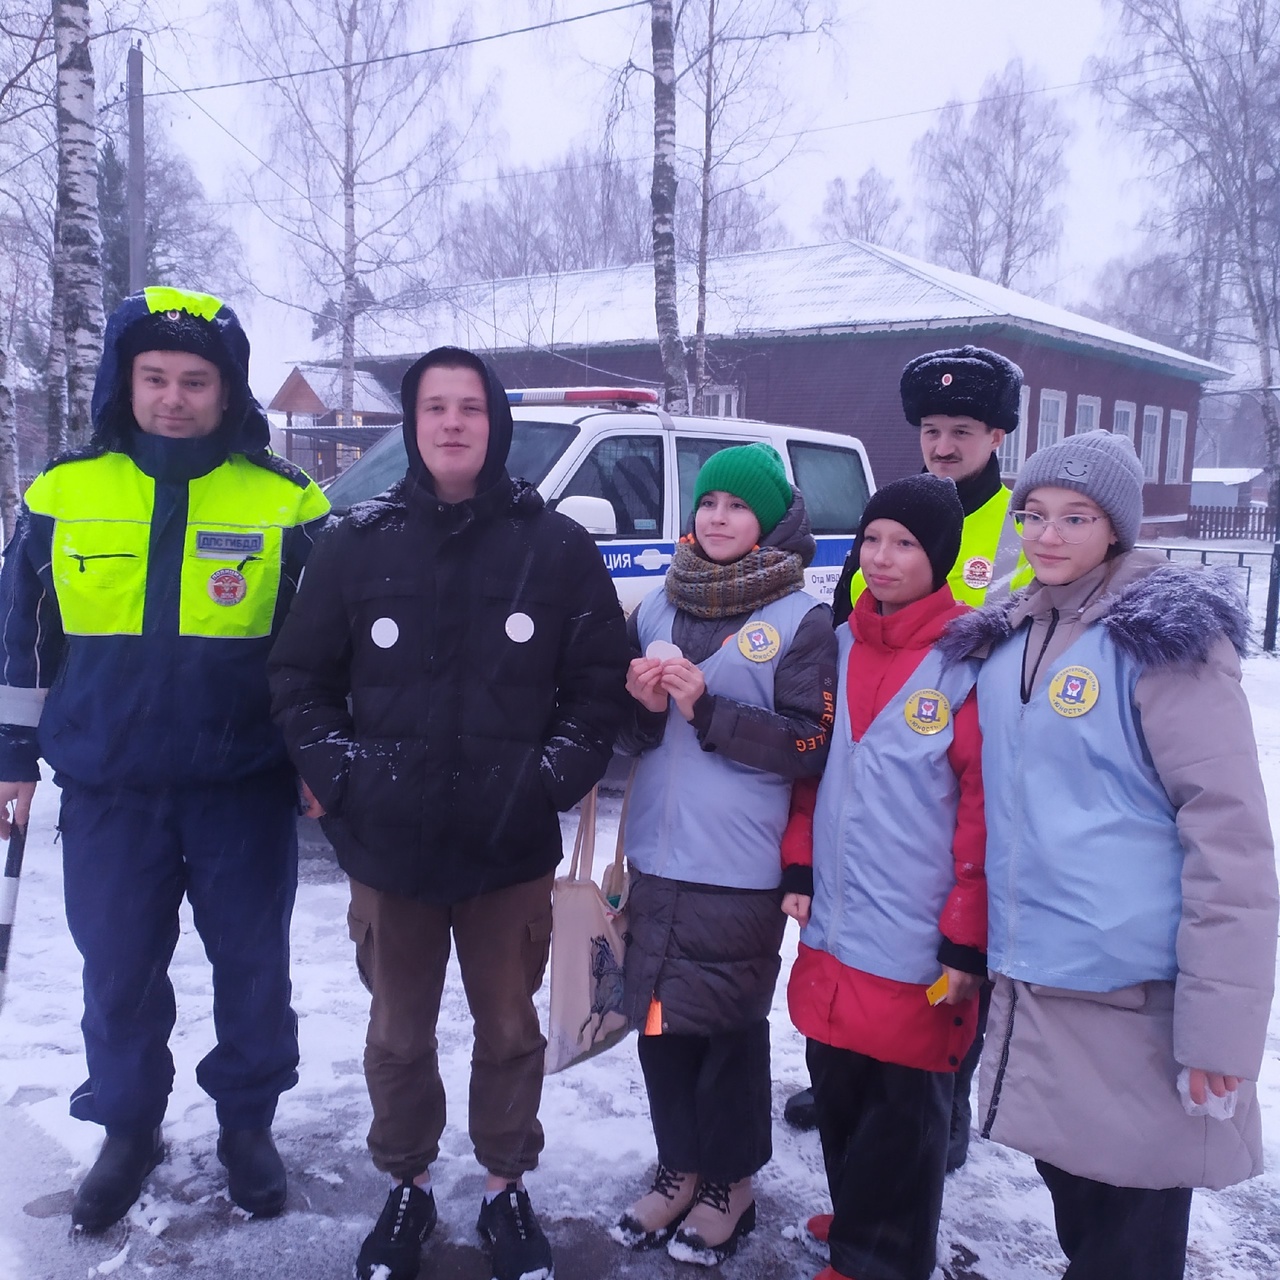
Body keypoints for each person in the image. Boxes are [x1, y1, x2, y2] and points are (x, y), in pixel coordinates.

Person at [268, 345, 629, 1280]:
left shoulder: (554, 547)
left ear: (496, 420)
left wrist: (547, 779)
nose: (454, 423)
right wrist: (343, 777)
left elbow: (597, 691)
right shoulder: (356, 541)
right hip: (388, 848)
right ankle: (409, 1182)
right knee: (397, 1032)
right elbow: (300, 679)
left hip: (508, 851)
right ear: (412, 423)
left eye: (471, 406)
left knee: (510, 1029)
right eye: (435, 407)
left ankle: (507, 1186)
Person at [0, 287, 330, 1230]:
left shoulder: (286, 498)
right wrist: (12, 759)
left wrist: (314, 757)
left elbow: (319, 650)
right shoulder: (65, 491)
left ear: (228, 394)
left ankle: (247, 1124)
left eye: (196, 381)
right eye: (155, 379)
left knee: (253, 965)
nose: (174, 398)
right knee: (117, 969)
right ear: (125, 383)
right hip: (109, 785)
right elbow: (19, 638)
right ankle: (128, 1126)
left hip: (243, 786)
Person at [941, 429, 1278, 1280]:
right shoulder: (1014, 633)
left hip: (1138, 1005)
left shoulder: (1165, 643)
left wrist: (1220, 1032)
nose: (1047, 535)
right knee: (1083, 1216)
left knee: (1132, 1234)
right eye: (1035, 513)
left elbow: (1230, 837)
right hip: (1042, 986)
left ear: (1117, 529)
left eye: (1076, 517)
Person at [796, 343, 1030, 1169]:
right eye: (931, 429)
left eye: (961, 429)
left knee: (949, 942)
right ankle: (857, 1061)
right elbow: (849, 619)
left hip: (979, 740)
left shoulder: (1021, 524)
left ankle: (946, 1101)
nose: (943, 444)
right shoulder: (892, 515)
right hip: (888, 742)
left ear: (997, 434)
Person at [608, 443, 836, 1267]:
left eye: (738, 506)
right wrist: (635, 708)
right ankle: (679, 1166)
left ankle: (729, 1183)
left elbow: (813, 743)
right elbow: (625, 739)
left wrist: (710, 710)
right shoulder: (656, 609)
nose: (719, 518)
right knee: (660, 1023)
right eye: (708, 504)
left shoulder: (800, 622)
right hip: (658, 857)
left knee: (727, 1029)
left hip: (739, 867)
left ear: (771, 519)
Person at [783, 474, 986, 1280]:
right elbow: (806, 775)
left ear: (940, 557)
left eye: (905, 544)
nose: (884, 558)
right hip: (834, 919)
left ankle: (884, 1258)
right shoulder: (836, 646)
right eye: (872, 540)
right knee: (838, 1083)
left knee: (905, 1109)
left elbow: (982, 810)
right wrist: (796, 861)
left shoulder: (967, 659)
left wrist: (966, 934)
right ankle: (862, 1216)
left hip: (916, 930)